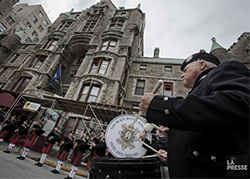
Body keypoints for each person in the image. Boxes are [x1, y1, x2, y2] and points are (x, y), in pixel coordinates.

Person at [139, 52, 249, 178]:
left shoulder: (225, 71)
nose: (181, 75)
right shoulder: (196, 92)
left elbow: (231, 107)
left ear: (202, 65)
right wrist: (175, 131)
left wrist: (161, 105)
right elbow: (205, 124)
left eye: (186, 70)